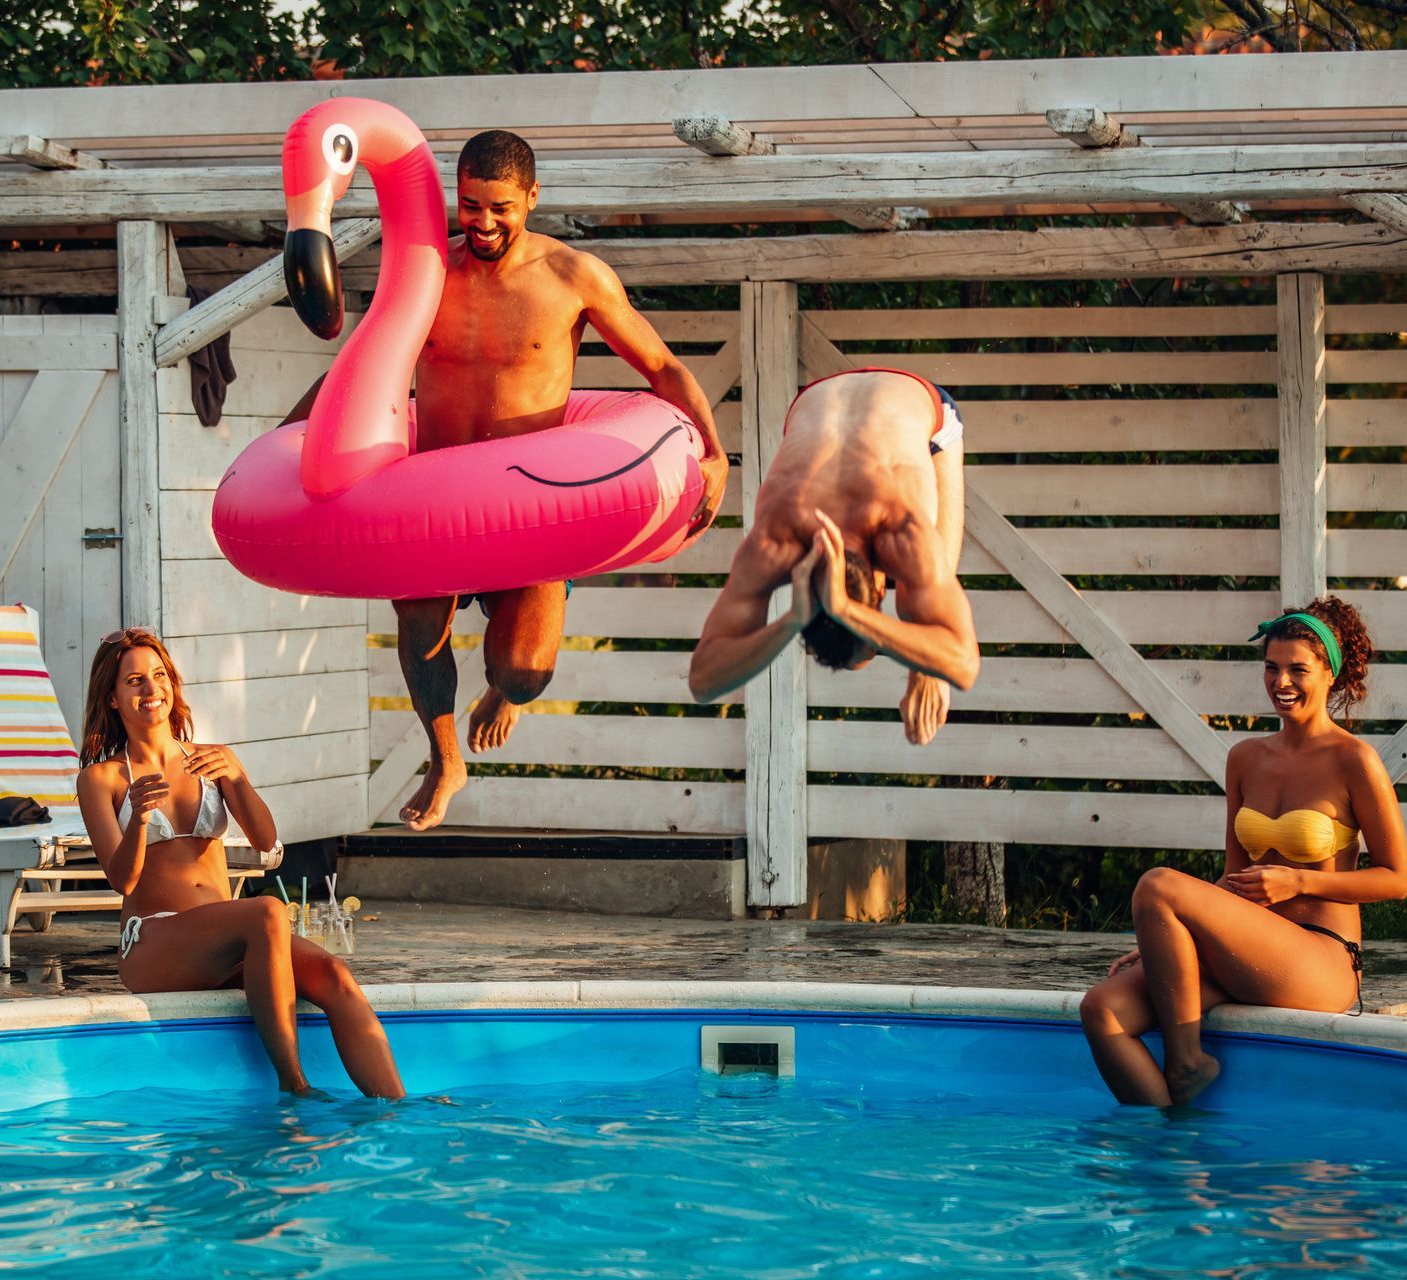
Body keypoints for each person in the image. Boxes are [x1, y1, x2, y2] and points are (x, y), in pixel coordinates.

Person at [286, 129, 729, 831]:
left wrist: (715, 452)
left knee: (522, 670)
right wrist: (290, 437)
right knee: (419, 619)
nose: (483, 223)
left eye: (500, 208)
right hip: (431, 497)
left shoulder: (573, 277)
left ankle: (507, 692)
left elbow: (663, 368)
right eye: (469, 206)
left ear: (531, 198)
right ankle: (444, 758)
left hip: (532, 507)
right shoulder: (426, 274)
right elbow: (367, 365)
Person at [1079, 598, 1407, 1108]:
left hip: (1319, 958)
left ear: (1329, 676)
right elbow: (1235, 877)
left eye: (1298, 670)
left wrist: (1301, 882)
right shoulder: (1245, 759)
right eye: (1271, 669)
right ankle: (1172, 1153)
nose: (1282, 683)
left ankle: (1186, 1063)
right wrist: (1162, 938)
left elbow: (1396, 878)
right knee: (1102, 1012)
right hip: (1247, 950)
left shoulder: (1355, 761)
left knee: (1156, 884)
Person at [76, 627, 405, 1099]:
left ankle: (396, 1109)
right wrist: (140, 821)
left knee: (334, 974)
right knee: (268, 911)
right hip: (153, 943)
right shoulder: (101, 779)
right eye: (134, 682)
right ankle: (294, 1084)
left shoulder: (212, 760)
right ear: (112, 698)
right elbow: (121, 879)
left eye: (159, 676)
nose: (152, 690)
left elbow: (267, 843)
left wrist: (238, 780)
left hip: (228, 938)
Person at [688, 367, 977, 741]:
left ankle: (922, 664)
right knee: (922, 599)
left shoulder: (900, 530)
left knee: (918, 602)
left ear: (879, 589)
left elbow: (964, 666)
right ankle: (919, 642)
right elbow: (701, 683)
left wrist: (829, 614)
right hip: (815, 400)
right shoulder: (775, 541)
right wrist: (802, 618)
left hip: (921, 407)